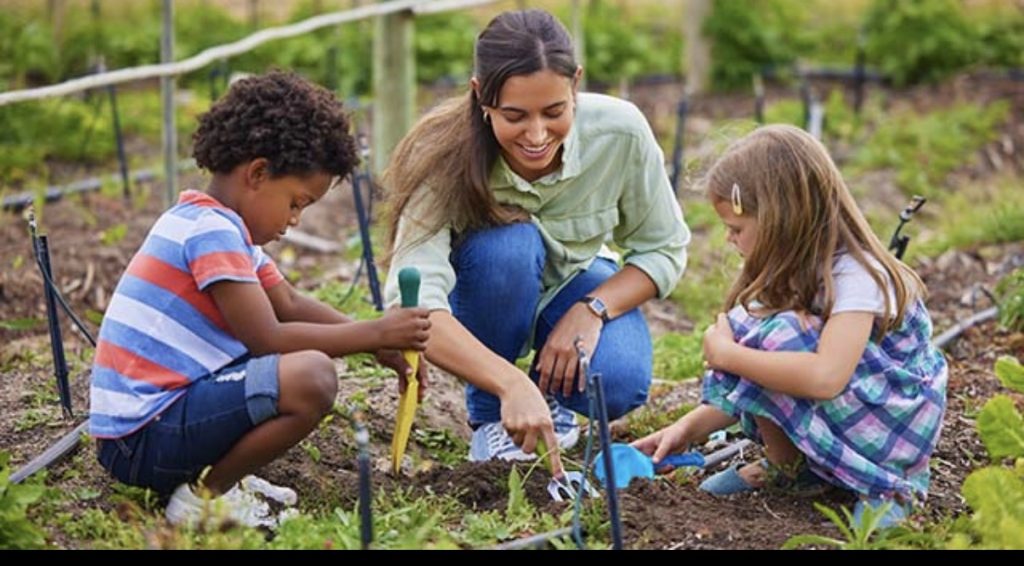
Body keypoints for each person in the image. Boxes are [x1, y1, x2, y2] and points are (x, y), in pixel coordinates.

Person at [89, 71, 431, 528]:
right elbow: (268, 336)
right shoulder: (212, 232)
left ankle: (219, 481)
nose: (294, 221)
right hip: (143, 437)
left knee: (289, 368)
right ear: (257, 173)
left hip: (147, 429)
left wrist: (376, 342)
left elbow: (286, 302)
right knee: (311, 377)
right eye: (295, 202)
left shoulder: (215, 225)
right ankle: (203, 499)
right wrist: (373, 331)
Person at [382, 9, 689, 472]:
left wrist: (592, 310)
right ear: (479, 96)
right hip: (490, 289)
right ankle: (493, 419)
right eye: (514, 116)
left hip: (577, 280)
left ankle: (551, 399)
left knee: (619, 382)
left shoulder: (620, 132)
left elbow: (663, 249)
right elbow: (414, 307)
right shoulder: (442, 157)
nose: (537, 134)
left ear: (575, 85)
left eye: (554, 111)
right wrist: (508, 383)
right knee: (508, 248)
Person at [633, 124, 947, 527]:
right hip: (852, 409)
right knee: (754, 330)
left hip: (894, 423)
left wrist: (729, 354)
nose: (729, 239)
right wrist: (686, 429)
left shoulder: (857, 276)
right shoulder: (788, 273)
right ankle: (792, 470)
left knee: (772, 339)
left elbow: (825, 379)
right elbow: (756, 379)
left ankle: (890, 487)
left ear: (782, 221)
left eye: (737, 229)